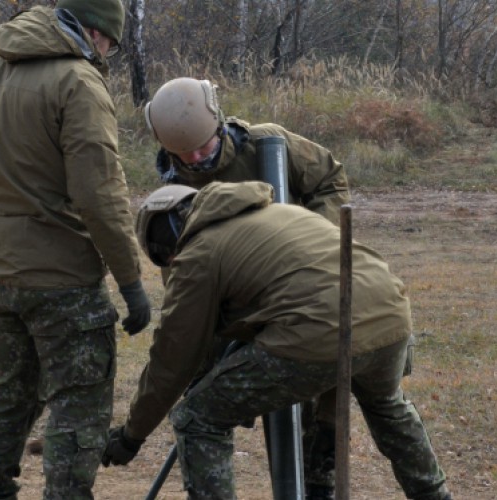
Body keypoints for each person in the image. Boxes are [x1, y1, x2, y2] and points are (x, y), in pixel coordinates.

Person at [101, 181, 452, 500]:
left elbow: (172, 359)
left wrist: (132, 435)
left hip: (316, 332)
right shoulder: (280, 213)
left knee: (198, 418)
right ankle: (434, 495)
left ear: (166, 246)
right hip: (390, 316)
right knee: (388, 409)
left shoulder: (198, 255)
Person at [0, 1, 150, 498]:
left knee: (10, 396)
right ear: (95, 32)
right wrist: (130, 281)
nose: (106, 54)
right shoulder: (78, 83)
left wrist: (2, 235)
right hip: (63, 279)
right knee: (79, 405)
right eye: (109, 44)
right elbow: (99, 194)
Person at [144, 76, 352, 499]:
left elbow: (329, 180)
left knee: (318, 389)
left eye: (203, 147)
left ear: (218, 123)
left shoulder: (266, 144)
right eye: (184, 154)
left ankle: (318, 482)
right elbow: (183, 280)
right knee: (211, 402)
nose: (196, 159)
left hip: (302, 287)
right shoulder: (176, 193)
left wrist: (312, 241)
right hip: (239, 301)